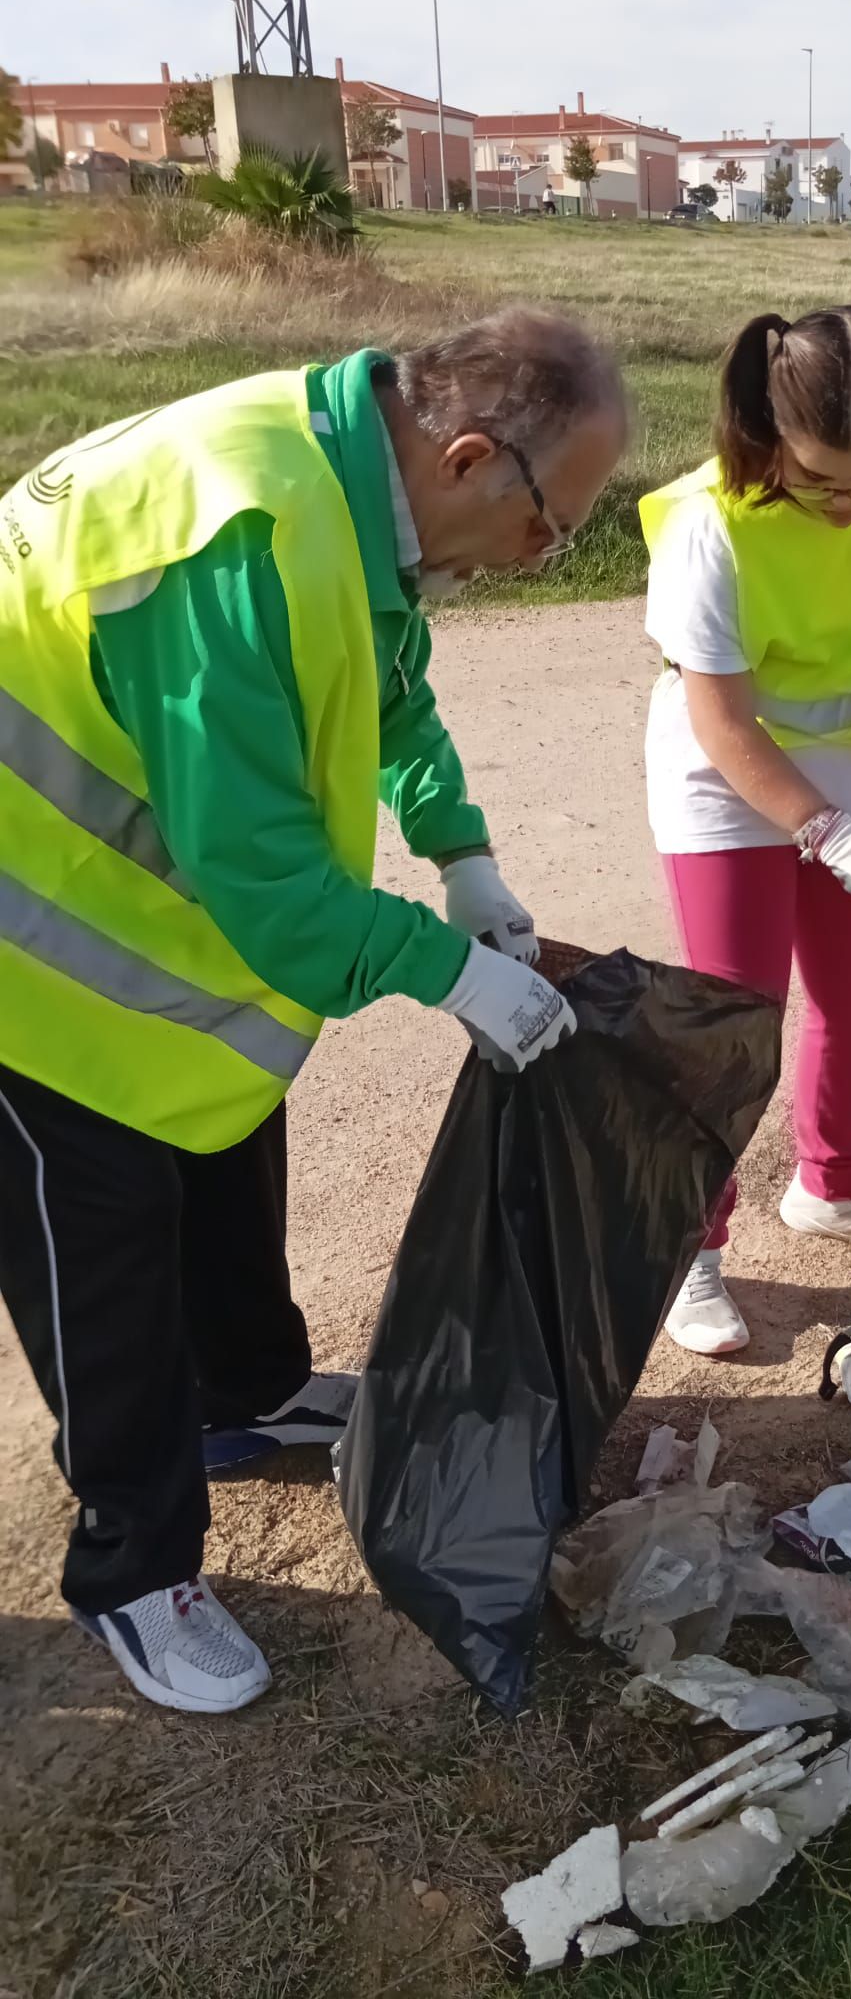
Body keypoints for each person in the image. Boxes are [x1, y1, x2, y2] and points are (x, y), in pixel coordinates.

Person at [0, 308, 627, 1712]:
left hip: (146, 904)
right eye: (555, 527)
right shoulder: (239, 536)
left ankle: (246, 1392)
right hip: (27, 956)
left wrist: (463, 857)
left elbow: (387, 689)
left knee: (226, 1143)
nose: (547, 560)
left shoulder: (353, 473)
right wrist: (452, 973)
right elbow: (273, 889)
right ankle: (134, 1569)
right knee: (100, 1253)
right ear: (471, 459)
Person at [638, 305, 851, 1356]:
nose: (846, 500)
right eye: (820, 475)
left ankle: (830, 1186)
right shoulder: (709, 522)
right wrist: (827, 832)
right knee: (732, 1021)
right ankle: (691, 1248)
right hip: (724, 769)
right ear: (765, 433)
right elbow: (722, 722)